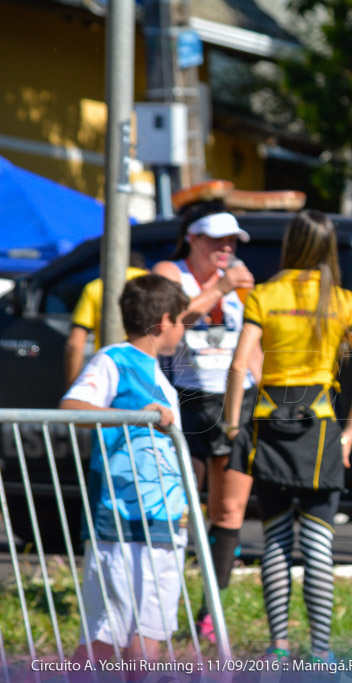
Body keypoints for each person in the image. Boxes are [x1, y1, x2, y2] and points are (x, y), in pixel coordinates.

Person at [222, 209, 352, 663]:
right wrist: (349, 435)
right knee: (318, 543)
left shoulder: (264, 296)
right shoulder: (346, 302)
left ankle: (278, 645)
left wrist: (234, 426)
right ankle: (324, 651)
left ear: (290, 243)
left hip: (270, 424)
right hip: (321, 429)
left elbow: (238, 366)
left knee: (274, 540)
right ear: (329, 247)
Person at [62, 275, 189, 666]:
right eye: (182, 320)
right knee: (113, 631)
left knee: (148, 627)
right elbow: (72, 407)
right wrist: (136, 416)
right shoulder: (113, 359)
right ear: (165, 321)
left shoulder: (157, 373)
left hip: (161, 519)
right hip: (122, 520)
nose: (184, 329)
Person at [152, 203, 259, 642]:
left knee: (229, 510)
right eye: (217, 239)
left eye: (232, 240)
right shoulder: (171, 272)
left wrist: (260, 382)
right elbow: (168, 329)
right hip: (186, 397)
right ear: (193, 238)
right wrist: (219, 287)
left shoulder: (241, 278)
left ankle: (209, 613)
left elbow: (256, 336)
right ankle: (160, 608)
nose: (227, 247)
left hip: (236, 398)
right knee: (179, 508)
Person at [63, 251, 149, 389]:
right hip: (148, 373)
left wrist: (72, 386)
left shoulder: (95, 287)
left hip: (107, 372)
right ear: (144, 269)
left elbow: (75, 343)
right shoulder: (155, 287)